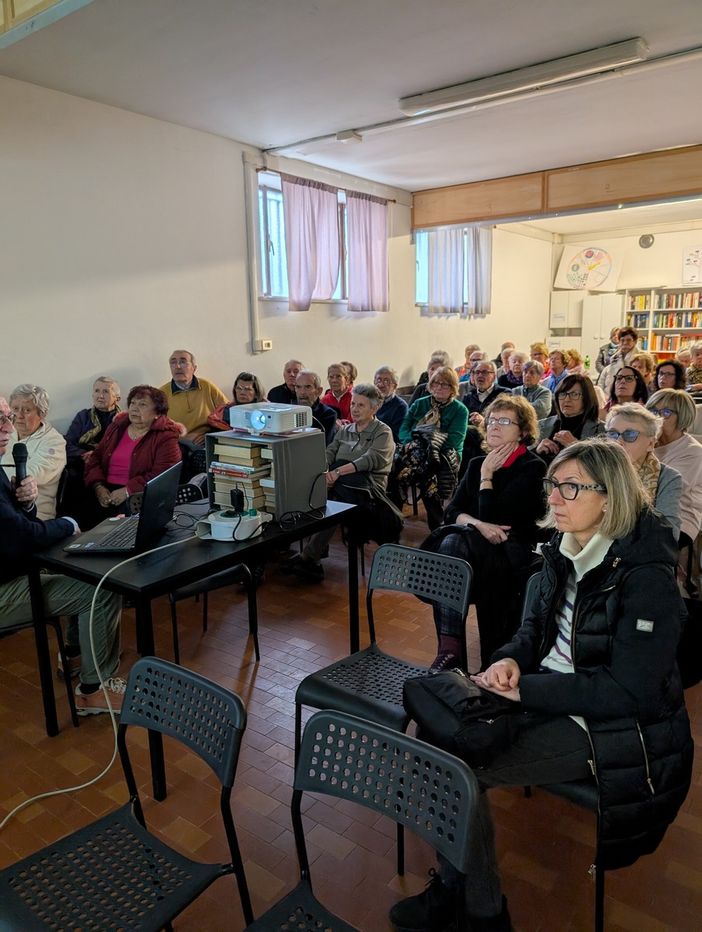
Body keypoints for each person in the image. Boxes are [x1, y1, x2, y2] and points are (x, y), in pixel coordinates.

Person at [391, 441, 693, 932]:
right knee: (435, 739)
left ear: (611, 498)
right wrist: (511, 659)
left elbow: (627, 692)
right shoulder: (560, 548)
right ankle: (459, 889)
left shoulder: (647, 578)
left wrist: (525, 691)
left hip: (608, 725)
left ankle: (480, 911)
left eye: (570, 487)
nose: (554, 497)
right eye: (553, 485)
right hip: (546, 690)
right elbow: (532, 631)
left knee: (457, 766)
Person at [0, 395, 124, 715]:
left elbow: (17, 526)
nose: (7, 427)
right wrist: (68, 524)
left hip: (16, 566)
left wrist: (25, 503)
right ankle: (93, 690)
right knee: (103, 587)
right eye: (3, 419)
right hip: (6, 584)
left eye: (8, 418)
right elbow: (25, 537)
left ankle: (75, 653)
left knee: (77, 569)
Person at [424, 395, 546, 672]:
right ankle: (451, 648)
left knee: (453, 542)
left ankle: (451, 649)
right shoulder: (477, 462)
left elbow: (498, 520)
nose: (494, 426)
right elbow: (452, 512)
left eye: (504, 421)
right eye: (492, 420)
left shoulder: (532, 467)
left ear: (523, 431)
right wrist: (477, 524)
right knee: (454, 538)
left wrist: (487, 477)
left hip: (513, 553)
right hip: (477, 549)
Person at [282, 384, 396, 582]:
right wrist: (325, 470)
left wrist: (336, 472)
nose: (355, 409)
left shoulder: (383, 432)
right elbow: (329, 452)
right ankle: (309, 556)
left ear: (374, 408)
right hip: (339, 486)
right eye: (353, 404)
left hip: (368, 491)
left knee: (333, 503)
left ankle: (310, 557)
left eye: (361, 405)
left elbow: (370, 459)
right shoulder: (345, 431)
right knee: (314, 493)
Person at [83, 385, 182, 527]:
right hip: (104, 491)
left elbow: (163, 475)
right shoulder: (117, 427)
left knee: (117, 530)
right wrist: (98, 486)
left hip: (138, 497)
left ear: (157, 413)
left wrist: (128, 490)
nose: (134, 408)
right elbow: (95, 458)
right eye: (133, 403)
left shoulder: (165, 436)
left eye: (142, 404)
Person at [392, 367, 468, 529]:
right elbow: (404, 429)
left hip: (446, 455)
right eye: (436, 383)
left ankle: (437, 526)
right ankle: (393, 520)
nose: (439, 387)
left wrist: (428, 444)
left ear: (453, 388)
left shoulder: (460, 410)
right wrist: (412, 443)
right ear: (430, 385)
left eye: (445, 385)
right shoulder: (420, 403)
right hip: (415, 450)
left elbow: (454, 440)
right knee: (394, 468)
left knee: (429, 476)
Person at [604, 403, 682, 539]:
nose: (618, 441)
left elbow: (669, 533)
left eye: (630, 434)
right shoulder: (593, 469)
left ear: (651, 444)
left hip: (638, 552)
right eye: (613, 434)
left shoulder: (668, 477)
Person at [0, 384, 66, 521]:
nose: (19, 415)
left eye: (27, 410)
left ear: (42, 414)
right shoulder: (6, 434)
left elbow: (26, 477)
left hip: (35, 517)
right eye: (15, 409)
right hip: (5, 510)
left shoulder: (55, 442)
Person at [646, 389, 702, 547]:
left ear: (682, 416)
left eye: (665, 412)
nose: (656, 417)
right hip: (643, 513)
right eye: (652, 410)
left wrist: (646, 449)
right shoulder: (647, 442)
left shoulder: (693, 452)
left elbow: (663, 490)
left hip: (678, 520)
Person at [62, 377, 122, 522]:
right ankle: (74, 522)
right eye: (97, 391)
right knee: (71, 475)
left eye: (106, 391)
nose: (100, 395)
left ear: (117, 397)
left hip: (109, 462)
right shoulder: (83, 416)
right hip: (82, 461)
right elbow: (68, 443)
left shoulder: (123, 420)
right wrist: (84, 454)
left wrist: (99, 456)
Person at [160, 349, 227, 444]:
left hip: (206, 440)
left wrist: (210, 435)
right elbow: (156, 427)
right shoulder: (161, 393)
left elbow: (227, 414)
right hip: (175, 442)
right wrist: (181, 438)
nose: (177, 366)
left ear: (194, 368)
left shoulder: (207, 386)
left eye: (183, 362)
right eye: (173, 363)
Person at [536, 374, 604, 464]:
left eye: (574, 394)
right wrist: (536, 452)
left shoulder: (601, 430)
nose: (567, 399)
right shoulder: (542, 425)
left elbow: (603, 467)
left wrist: (576, 447)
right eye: (563, 394)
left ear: (587, 398)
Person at [459, 361, 509, 470]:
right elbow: (461, 419)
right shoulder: (468, 396)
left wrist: (484, 421)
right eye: (477, 372)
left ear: (494, 376)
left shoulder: (504, 394)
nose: (480, 376)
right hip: (470, 439)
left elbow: (507, 419)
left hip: (495, 433)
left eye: (485, 372)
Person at [294, 369, 337, 444]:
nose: (302, 392)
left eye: (307, 387)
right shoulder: (288, 411)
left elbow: (324, 445)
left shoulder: (328, 414)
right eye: (298, 387)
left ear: (319, 391)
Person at [598, 326, 639, 396]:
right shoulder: (613, 359)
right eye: (622, 340)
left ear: (635, 341)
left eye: (628, 340)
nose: (625, 342)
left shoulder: (641, 359)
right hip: (610, 399)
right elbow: (601, 385)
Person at [374, 366, 408, 441]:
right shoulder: (370, 401)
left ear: (395, 386)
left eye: (386, 381)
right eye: (378, 380)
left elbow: (396, 436)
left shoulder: (401, 407)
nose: (381, 385)